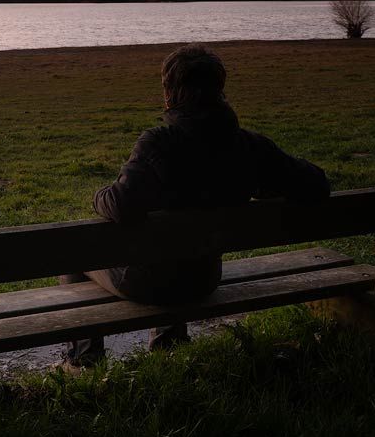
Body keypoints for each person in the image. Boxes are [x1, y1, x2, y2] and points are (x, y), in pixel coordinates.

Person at [60, 44, 330, 368]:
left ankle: (84, 359)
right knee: (179, 250)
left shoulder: (160, 142)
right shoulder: (247, 145)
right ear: (220, 90)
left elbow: (121, 205)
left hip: (146, 284)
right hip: (204, 278)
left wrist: (97, 195)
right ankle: (169, 346)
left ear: (170, 92)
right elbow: (316, 184)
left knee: (73, 253)